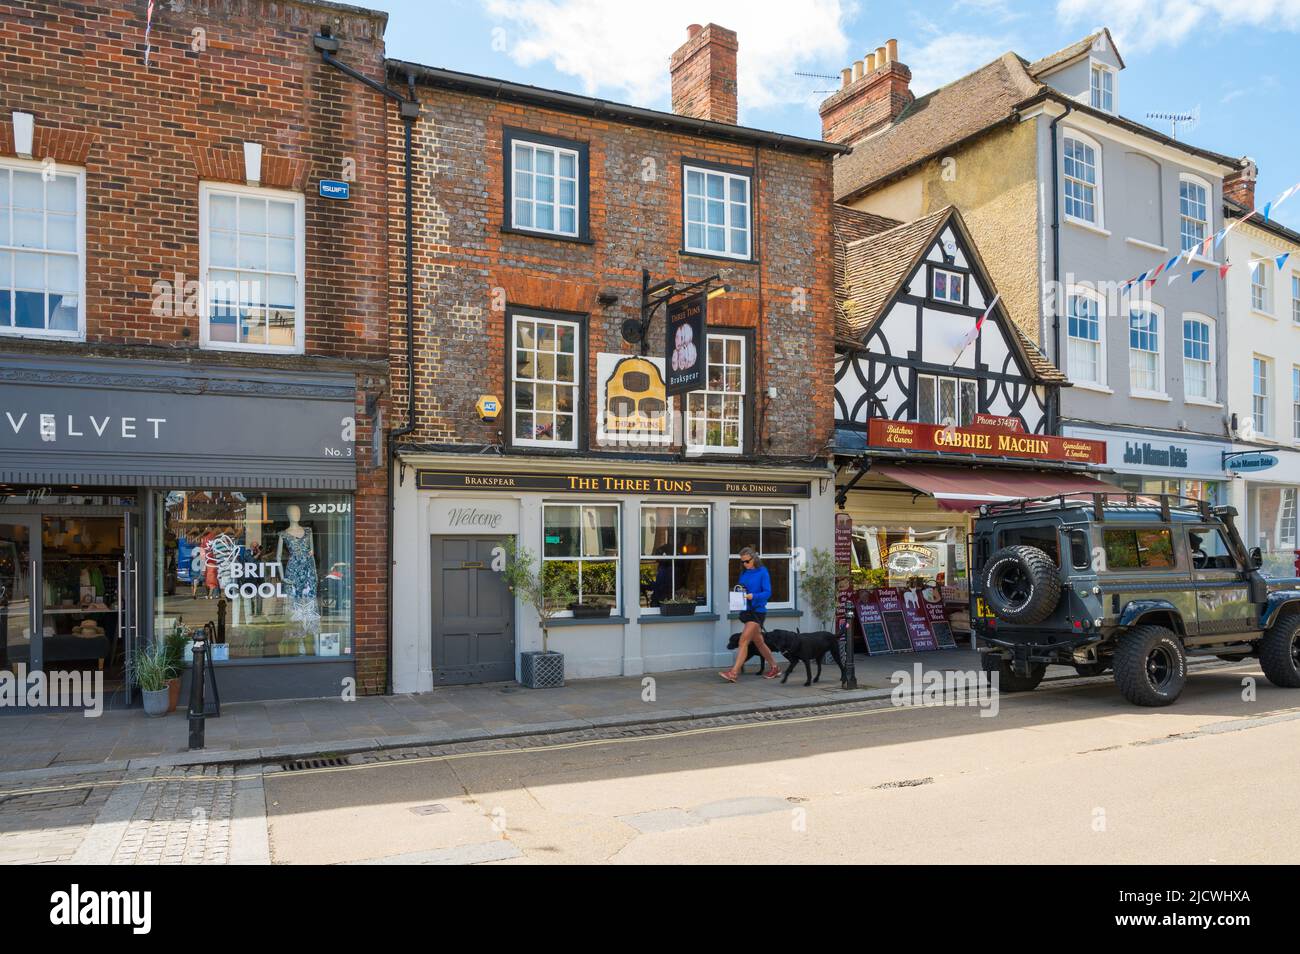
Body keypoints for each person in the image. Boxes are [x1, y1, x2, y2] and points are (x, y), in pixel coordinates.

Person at [720, 546, 779, 681]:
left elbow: (768, 592)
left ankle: (733, 673)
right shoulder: (744, 573)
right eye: (742, 562)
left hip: (758, 612)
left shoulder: (763, 572)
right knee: (759, 642)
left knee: (743, 640)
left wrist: (754, 596)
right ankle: (775, 667)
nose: (744, 564)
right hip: (746, 611)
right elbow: (741, 589)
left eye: (747, 561)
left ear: (754, 559)